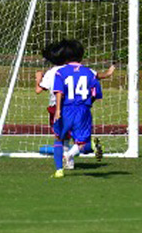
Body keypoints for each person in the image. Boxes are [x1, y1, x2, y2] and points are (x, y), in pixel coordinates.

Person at [35, 41, 114, 170]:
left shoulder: (54, 72)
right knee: (80, 138)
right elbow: (97, 77)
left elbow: (39, 90)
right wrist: (108, 73)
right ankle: (78, 153)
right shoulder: (86, 70)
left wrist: (38, 78)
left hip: (57, 107)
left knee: (61, 138)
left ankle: (66, 162)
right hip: (80, 107)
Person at [51, 39, 103, 178]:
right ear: (81, 55)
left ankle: (59, 170)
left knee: (58, 139)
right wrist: (87, 103)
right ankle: (70, 155)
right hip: (83, 110)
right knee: (81, 142)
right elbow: (96, 93)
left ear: (65, 56)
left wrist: (57, 110)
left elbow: (59, 92)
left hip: (66, 109)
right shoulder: (90, 73)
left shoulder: (61, 72)